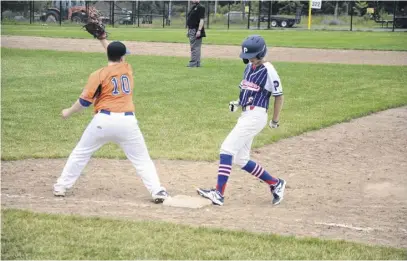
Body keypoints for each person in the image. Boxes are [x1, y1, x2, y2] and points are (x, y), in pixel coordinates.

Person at [53, 33, 169, 204]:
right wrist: (103, 39)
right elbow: (114, 54)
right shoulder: (127, 69)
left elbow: (84, 102)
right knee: (142, 159)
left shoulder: (98, 74)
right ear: (122, 58)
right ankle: (157, 190)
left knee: (80, 153)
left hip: (102, 122)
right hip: (128, 123)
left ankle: (61, 186)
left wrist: (68, 112)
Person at [197, 35, 286, 206]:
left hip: (256, 115)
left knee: (226, 149)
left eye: (252, 56)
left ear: (261, 53)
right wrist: (237, 103)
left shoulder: (268, 70)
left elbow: (279, 96)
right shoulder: (249, 68)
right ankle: (275, 183)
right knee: (241, 159)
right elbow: (247, 90)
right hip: (247, 114)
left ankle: (218, 194)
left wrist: (275, 120)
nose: (249, 59)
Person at [186, 0, 206, 67]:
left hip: (196, 30)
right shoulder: (193, 7)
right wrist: (188, 30)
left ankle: (193, 63)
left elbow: (202, 20)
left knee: (195, 47)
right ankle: (197, 63)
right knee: (194, 47)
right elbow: (190, 19)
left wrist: (199, 30)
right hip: (191, 29)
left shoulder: (201, 8)